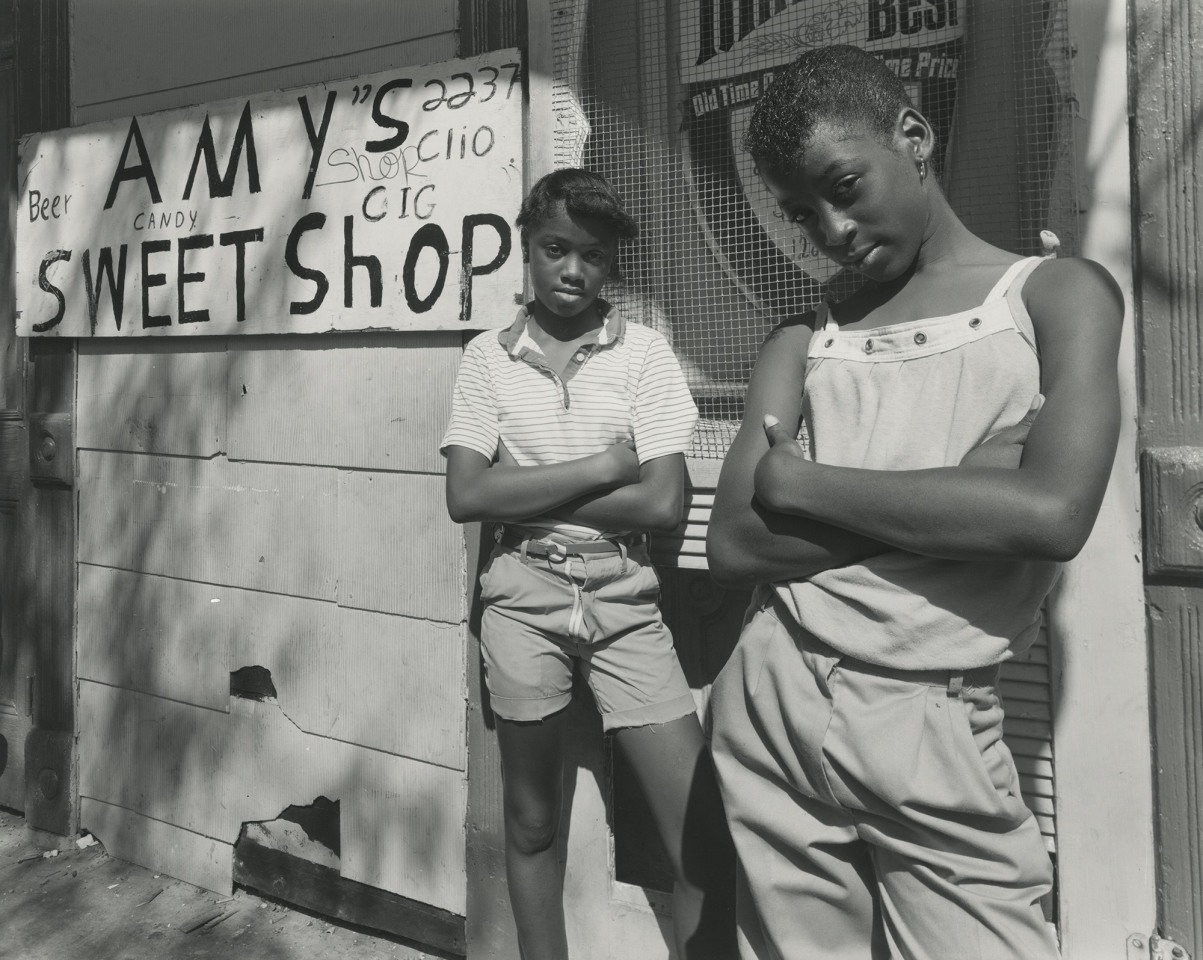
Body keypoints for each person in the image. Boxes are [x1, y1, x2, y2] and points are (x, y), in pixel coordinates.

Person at [705, 45, 1122, 960]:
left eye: (843, 184)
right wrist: (960, 503)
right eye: (799, 212)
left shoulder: (1052, 298)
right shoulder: (805, 337)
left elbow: (1049, 516)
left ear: (914, 134)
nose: (830, 228)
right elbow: (733, 544)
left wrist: (800, 483)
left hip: (931, 712)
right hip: (773, 690)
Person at [441, 168, 735, 960]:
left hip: (623, 596)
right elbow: (465, 495)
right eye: (554, 249)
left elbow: (662, 505)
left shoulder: (641, 354)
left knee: (698, 829)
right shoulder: (486, 360)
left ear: (612, 267)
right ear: (525, 249)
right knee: (533, 822)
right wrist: (603, 469)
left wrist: (520, 492)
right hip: (520, 596)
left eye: (593, 257)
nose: (571, 271)